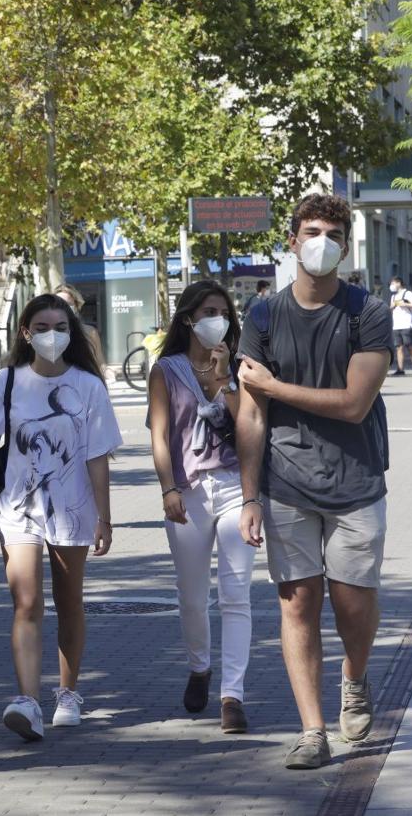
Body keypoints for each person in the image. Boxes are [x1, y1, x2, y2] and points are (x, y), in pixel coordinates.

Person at [237, 193, 390, 769]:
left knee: (352, 604)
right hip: (285, 483)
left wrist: (274, 388)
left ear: (345, 246)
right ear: (292, 240)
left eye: (331, 232)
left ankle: (355, 676)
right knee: (298, 604)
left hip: (356, 481)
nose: (319, 240)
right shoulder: (263, 316)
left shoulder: (364, 312)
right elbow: (249, 415)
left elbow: (354, 404)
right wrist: (249, 496)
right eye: (310, 230)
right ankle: (312, 730)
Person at [0, 294, 118, 742]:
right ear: (25, 332)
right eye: (42, 326)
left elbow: (97, 458)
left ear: (71, 333)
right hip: (18, 509)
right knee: (27, 602)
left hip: (74, 510)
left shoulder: (89, 386)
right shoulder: (7, 381)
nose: (51, 334)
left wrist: (105, 519)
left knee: (69, 601)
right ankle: (28, 701)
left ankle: (68, 692)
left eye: (61, 326)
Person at [147, 281, 255, 734]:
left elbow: (246, 424)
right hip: (189, 491)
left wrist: (224, 377)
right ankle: (200, 667)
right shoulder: (165, 369)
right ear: (189, 317)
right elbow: (159, 434)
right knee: (192, 597)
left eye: (225, 312)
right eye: (210, 310)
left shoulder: (240, 368)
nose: (219, 319)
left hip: (233, 485)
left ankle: (233, 694)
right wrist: (167, 488)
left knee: (236, 593)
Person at [54, 284, 111, 383]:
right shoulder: (46, 334)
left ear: (76, 306)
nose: (63, 307)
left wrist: (107, 371)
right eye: (59, 304)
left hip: (85, 387)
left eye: (68, 304)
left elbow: (100, 362)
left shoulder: (90, 332)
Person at [388, 276, 412, 376]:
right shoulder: (393, 296)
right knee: (399, 347)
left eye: (392, 283)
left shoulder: (408, 293)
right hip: (396, 325)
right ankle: (400, 369)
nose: (391, 286)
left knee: (410, 346)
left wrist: (406, 304)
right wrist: (392, 306)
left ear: (399, 283)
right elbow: (390, 309)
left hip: (407, 324)